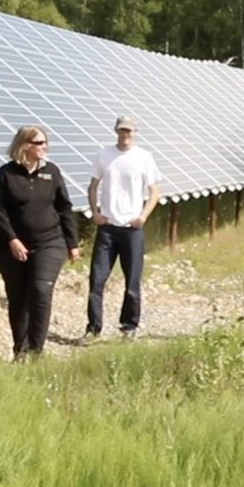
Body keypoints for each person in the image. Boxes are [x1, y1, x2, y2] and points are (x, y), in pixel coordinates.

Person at [0, 125, 80, 360]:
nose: (44, 147)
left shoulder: (52, 172)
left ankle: (36, 352)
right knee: (18, 297)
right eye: (39, 143)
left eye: (45, 142)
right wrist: (12, 239)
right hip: (12, 245)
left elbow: (64, 207)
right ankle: (20, 348)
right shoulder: (7, 174)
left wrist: (72, 242)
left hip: (50, 242)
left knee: (40, 290)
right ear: (25, 145)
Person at [84, 115, 161, 339]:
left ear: (135, 132)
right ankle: (93, 327)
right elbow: (92, 186)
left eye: (129, 131)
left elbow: (155, 191)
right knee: (97, 279)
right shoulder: (103, 155)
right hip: (107, 228)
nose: (125, 134)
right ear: (116, 131)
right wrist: (95, 213)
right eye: (121, 130)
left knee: (132, 281)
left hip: (132, 228)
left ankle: (129, 326)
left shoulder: (144, 157)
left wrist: (143, 216)